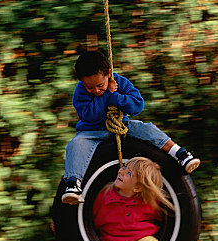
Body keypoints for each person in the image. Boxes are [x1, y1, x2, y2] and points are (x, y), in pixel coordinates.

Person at [62, 50, 200, 205]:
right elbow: (89, 115)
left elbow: (137, 105)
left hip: (122, 126)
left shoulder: (119, 82)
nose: (95, 91)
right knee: (76, 144)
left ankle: (180, 154)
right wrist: (107, 94)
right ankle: (73, 183)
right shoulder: (80, 91)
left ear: (109, 73)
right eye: (90, 88)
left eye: (100, 85)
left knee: (147, 129)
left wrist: (116, 97)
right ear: (82, 82)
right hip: (91, 131)